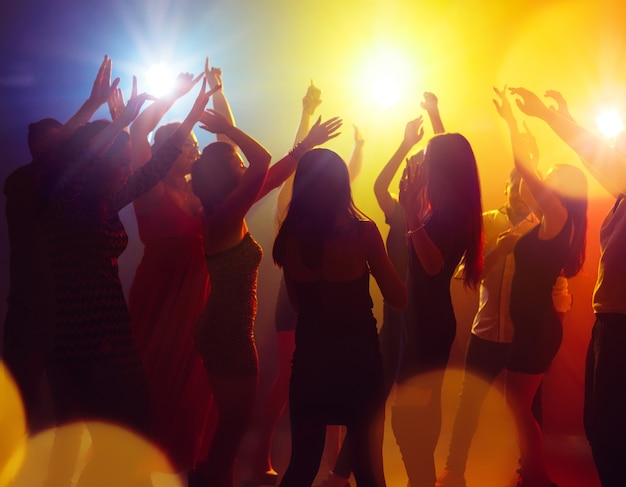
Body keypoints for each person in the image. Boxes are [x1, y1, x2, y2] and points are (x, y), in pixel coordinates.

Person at [41, 75, 215, 486]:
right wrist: (119, 125)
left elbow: (151, 168)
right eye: (117, 161)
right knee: (93, 440)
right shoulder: (63, 200)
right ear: (97, 162)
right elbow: (61, 160)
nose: (125, 167)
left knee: (123, 439)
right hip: (80, 337)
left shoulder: (107, 201)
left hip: (114, 333)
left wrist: (187, 111)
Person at [189, 107, 342, 487]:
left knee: (231, 423)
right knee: (234, 424)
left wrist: (307, 144)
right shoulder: (223, 215)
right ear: (226, 176)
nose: (245, 166)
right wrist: (229, 131)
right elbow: (264, 163)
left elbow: (270, 175)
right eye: (237, 164)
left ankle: (211, 479)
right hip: (228, 329)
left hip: (228, 325)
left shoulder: (227, 212)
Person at [508, 87, 624, 487]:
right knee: (601, 426)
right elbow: (597, 159)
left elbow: (595, 155)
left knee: (609, 430)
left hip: (620, 325)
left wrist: (545, 117)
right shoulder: (619, 195)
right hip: (609, 322)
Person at [272, 147, 407, 487]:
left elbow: (298, 304)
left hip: (311, 362)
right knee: (368, 471)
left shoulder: (289, 239)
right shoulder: (361, 233)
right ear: (341, 186)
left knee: (301, 467)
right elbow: (398, 298)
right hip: (358, 363)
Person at [3, 55, 120, 433]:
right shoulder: (20, 183)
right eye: (56, 146)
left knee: (71, 413)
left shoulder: (71, 192)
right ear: (37, 149)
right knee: (18, 403)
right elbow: (54, 160)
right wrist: (92, 106)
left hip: (68, 313)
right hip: (30, 311)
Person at [255, 81, 364, 486]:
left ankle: (333, 462)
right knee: (286, 381)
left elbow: (349, 174)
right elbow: (293, 161)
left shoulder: (335, 216)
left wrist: (360, 146)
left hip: (325, 306)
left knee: (331, 378)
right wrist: (305, 114)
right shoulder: (290, 206)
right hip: (294, 302)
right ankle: (261, 454)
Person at [436, 164, 572, 487]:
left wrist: (553, 327)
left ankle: (531, 471)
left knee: (527, 409)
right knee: (468, 404)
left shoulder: (545, 228)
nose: (523, 193)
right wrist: (499, 249)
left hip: (525, 335)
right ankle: (454, 471)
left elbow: (561, 291)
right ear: (508, 185)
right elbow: (463, 276)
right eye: (517, 183)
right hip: (485, 330)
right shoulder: (485, 222)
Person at [126, 59, 231, 472]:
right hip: (158, 306)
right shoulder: (149, 192)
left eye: (195, 147)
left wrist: (219, 93)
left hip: (197, 309)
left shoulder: (200, 194)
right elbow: (138, 131)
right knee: (153, 396)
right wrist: (176, 95)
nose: (195, 152)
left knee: (192, 403)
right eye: (188, 146)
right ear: (169, 152)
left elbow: (231, 152)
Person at [494, 87, 588, 487]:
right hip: (533, 328)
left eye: (550, 181)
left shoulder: (559, 215)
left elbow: (525, 171)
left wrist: (515, 124)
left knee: (516, 403)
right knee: (518, 403)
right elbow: (525, 180)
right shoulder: (551, 220)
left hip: (537, 330)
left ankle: (536, 476)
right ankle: (532, 474)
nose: (542, 185)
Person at [390, 119, 484, 487]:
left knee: (408, 420)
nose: (422, 161)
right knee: (417, 416)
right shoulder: (443, 207)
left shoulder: (452, 213)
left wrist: (411, 214)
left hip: (429, 325)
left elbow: (432, 265)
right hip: (424, 319)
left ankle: (422, 481)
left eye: (428, 157)